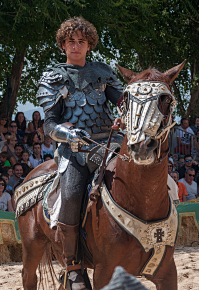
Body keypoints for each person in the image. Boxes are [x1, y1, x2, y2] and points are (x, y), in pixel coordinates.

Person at [36, 16, 124, 289]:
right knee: (72, 195)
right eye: (71, 41)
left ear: (89, 45)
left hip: (110, 145)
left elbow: (122, 102)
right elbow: (48, 124)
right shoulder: (53, 77)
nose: (76, 46)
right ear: (63, 45)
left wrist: (126, 113)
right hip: (73, 151)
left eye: (81, 41)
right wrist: (68, 133)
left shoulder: (103, 72)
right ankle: (73, 266)